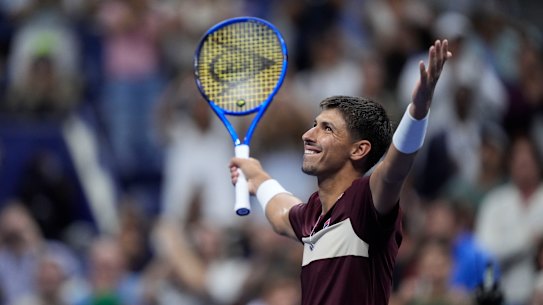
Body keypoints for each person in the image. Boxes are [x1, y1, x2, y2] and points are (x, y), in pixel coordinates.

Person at [229, 40, 452, 304]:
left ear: (359, 150)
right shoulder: (313, 214)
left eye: (327, 129)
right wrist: (257, 177)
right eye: (314, 125)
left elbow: (395, 168)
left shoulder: (364, 202)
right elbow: (281, 214)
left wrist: (417, 111)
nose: (307, 135)